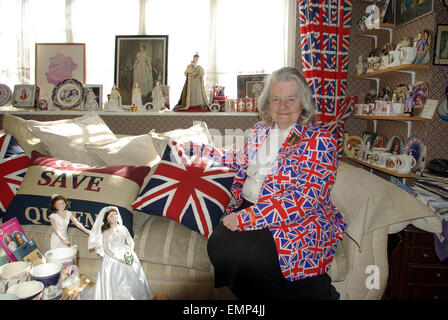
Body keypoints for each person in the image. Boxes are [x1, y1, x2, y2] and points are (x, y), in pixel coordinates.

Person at [188, 67, 346, 300]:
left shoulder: (319, 140)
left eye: (290, 99)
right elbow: (240, 160)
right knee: (218, 245)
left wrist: (245, 219)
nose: (283, 107)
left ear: (303, 102)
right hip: (249, 207)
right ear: (267, 104)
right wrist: (196, 150)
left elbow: (305, 200)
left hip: (294, 219)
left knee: (247, 254)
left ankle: (321, 293)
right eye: (276, 99)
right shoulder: (259, 132)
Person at [87, 206, 152, 300]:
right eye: (111, 216)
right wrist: (117, 258)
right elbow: (106, 249)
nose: (114, 217)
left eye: (115, 214)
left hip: (125, 252)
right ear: (107, 219)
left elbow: (130, 241)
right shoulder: (106, 232)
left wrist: (129, 252)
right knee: (116, 277)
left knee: (133, 275)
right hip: (112, 257)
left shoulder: (123, 228)